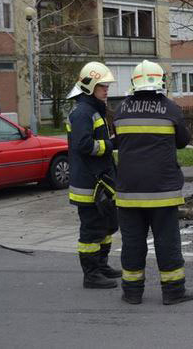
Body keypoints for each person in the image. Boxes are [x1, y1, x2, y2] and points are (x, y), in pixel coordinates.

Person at [113, 59, 193, 305]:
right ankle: (173, 292)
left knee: (132, 243)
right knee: (166, 241)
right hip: (163, 190)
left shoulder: (121, 110)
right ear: (160, 82)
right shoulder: (171, 109)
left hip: (129, 192)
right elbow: (183, 141)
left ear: (134, 83)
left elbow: (119, 140)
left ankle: (132, 292)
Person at [66, 61, 121, 289]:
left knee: (107, 226)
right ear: (89, 87)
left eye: (107, 86)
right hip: (87, 184)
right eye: (102, 86)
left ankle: (101, 265)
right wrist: (110, 145)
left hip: (100, 182)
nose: (106, 90)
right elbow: (84, 145)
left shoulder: (93, 110)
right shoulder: (82, 113)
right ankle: (91, 275)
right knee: (91, 230)